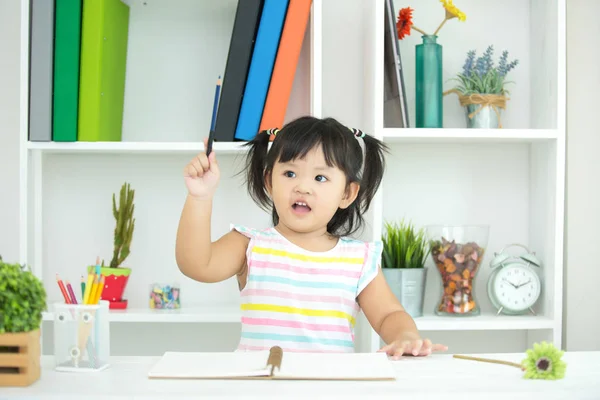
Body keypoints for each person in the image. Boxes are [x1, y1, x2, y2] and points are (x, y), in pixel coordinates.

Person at [175, 116, 447, 359]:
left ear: (347, 194)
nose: (302, 186)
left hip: (329, 388)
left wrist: (406, 337)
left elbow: (389, 314)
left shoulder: (358, 259)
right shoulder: (249, 244)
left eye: (320, 177)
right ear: (269, 181)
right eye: (290, 173)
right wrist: (200, 197)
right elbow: (196, 264)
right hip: (259, 388)